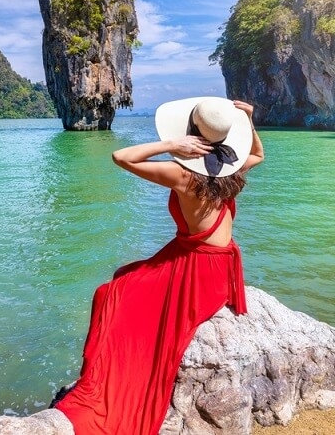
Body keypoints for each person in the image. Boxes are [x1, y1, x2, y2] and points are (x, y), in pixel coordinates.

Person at [53, 97, 264, 435]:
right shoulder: (231, 168)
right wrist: (249, 121)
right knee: (125, 276)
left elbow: (121, 156)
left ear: (191, 133)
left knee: (112, 291)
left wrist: (171, 145)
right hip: (221, 268)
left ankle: (108, 378)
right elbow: (258, 154)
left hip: (197, 270)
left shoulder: (184, 175)